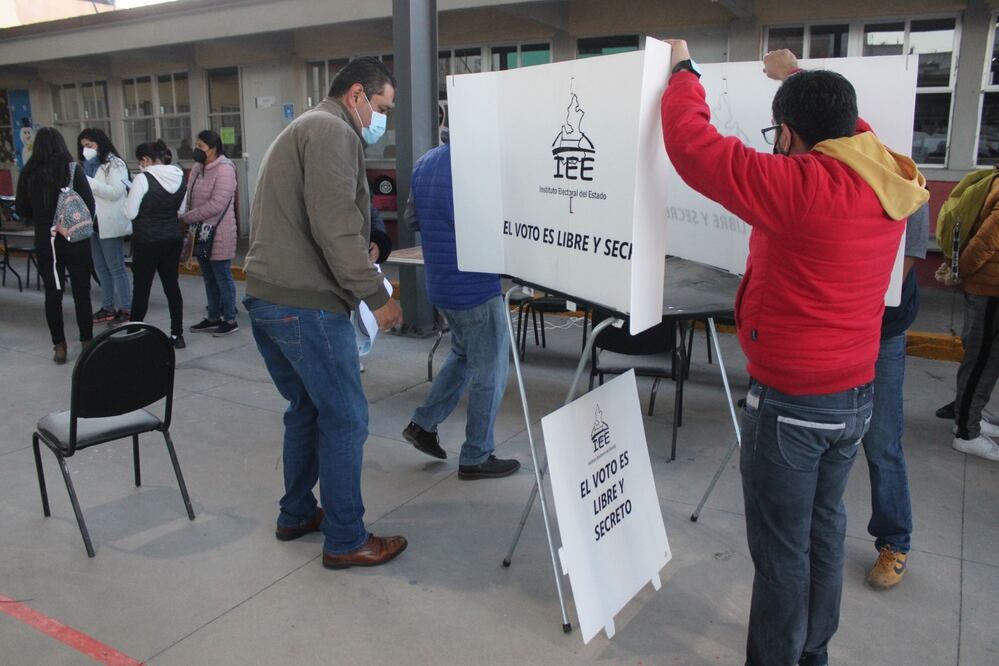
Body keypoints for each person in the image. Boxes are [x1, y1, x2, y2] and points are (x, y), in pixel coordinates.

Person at [662, 43, 928, 666]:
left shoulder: (800, 188)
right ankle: (813, 654)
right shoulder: (886, 176)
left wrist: (683, 73)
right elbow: (847, 127)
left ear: (786, 133)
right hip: (853, 399)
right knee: (823, 533)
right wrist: (797, 78)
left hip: (791, 407)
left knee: (782, 554)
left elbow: (693, 147)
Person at [242, 56, 406, 570]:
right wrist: (379, 299)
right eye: (382, 107)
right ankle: (345, 538)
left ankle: (296, 513)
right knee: (346, 418)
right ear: (357, 95)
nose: (383, 120)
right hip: (303, 304)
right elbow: (335, 229)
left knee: (308, 409)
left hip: (271, 295)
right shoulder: (333, 131)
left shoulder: (303, 129)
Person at [401, 129, 520, 480]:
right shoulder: (476, 167)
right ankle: (476, 455)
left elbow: (411, 220)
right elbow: (493, 227)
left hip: (441, 283)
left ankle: (423, 424)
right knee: (491, 371)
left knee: (463, 356)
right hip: (474, 287)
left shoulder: (425, 162)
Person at [863, 202, 929, 590]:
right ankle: (807, 536)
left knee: (882, 440)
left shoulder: (907, 176)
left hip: (881, 327)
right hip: (833, 322)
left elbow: (902, 265)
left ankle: (894, 541)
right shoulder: (830, 164)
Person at [14, 127, 95, 364]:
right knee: (82, 292)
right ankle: (87, 342)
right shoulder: (72, 170)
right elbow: (88, 204)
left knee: (53, 294)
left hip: (46, 240)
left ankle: (59, 347)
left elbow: (22, 210)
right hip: (76, 239)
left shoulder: (28, 172)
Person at [947, 174, 999, 461]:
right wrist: (962, 272)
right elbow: (985, 242)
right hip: (989, 289)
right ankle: (966, 431)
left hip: (988, 287)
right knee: (982, 361)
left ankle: (971, 418)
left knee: (986, 360)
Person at [124, 139, 187, 348]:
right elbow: (181, 211)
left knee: (142, 288)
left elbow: (130, 212)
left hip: (147, 240)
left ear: (145, 160)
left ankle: (134, 333)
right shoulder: (179, 176)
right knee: (172, 286)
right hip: (172, 237)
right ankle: (177, 335)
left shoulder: (143, 178)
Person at [181, 129, 240, 337]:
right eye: (196, 145)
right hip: (200, 232)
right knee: (208, 276)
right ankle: (213, 316)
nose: (197, 150)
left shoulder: (225, 169)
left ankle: (230, 319)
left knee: (222, 276)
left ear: (214, 149)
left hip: (219, 231)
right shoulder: (198, 168)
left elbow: (217, 204)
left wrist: (189, 217)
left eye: (201, 147)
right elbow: (190, 195)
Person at [79, 128, 132, 327]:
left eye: (89, 146)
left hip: (109, 222)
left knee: (116, 267)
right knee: (101, 268)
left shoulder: (114, 163)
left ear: (99, 143)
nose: (86, 150)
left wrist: (89, 183)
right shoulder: (87, 165)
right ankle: (107, 307)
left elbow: (115, 192)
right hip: (92, 223)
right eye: (83, 146)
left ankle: (125, 308)